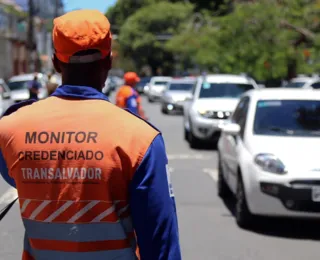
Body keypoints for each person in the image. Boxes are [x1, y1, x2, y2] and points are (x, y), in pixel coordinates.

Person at [0, 10, 181, 260]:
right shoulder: (141, 139)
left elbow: (19, 179)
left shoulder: (9, 129)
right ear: (108, 62)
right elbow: (160, 245)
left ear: (55, 62)